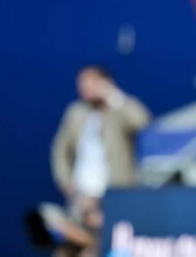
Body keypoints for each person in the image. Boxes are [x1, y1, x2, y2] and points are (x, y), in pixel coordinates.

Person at [51, 64, 151, 255]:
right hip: (80, 196)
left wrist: (113, 95)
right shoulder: (76, 112)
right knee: (66, 248)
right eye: (81, 83)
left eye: (91, 82)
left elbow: (143, 122)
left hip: (112, 196)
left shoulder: (119, 110)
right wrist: (65, 181)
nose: (84, 88)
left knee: (100, 247)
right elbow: (60, 149)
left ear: (106, 83)